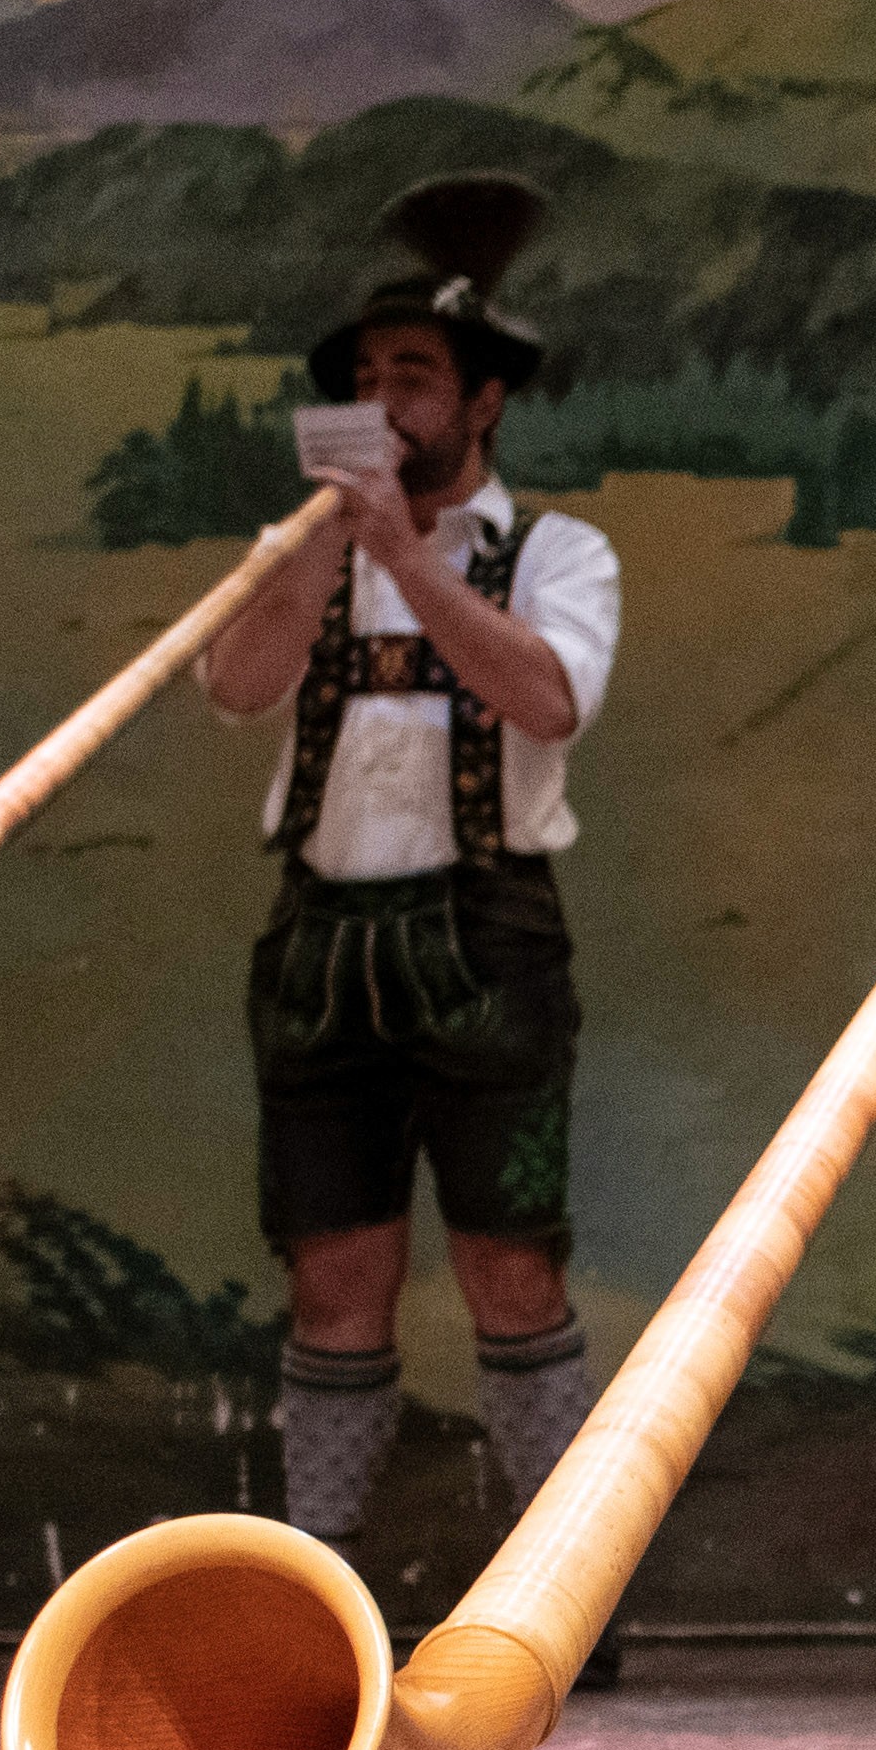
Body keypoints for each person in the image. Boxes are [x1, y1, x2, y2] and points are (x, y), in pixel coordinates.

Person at [194, 177, 624, 1609]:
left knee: (513, 1272)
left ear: (484, 402)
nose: (384, 399)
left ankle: (552, 1589)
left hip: (490, 942)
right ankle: (322, 1590)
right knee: (333, 1282)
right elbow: (235, 686)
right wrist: (328, 547)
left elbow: (546, 699)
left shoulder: (558, 553)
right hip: (320, 945)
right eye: (367, 376)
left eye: (416, 375)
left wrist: (404, 555)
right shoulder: (301, 553)